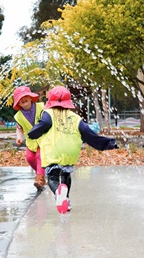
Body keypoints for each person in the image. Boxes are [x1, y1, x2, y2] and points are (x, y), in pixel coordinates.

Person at [28, 86, 118, 214]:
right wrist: (108, 143)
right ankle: (66, 199)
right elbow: (89, 134)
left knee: (52, 177)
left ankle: (58, 194)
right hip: (70, 153)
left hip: (53, 152)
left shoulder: (48, 114)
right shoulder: (75, 118)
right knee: (65, 175)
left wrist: (32, 133)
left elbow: (44, 125)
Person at [13, 86, 46, 190]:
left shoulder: (42, 107)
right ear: (17, 103)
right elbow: (19, 128)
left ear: (31, 98)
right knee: (30, 158)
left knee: (40, 156)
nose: (23, 99)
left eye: (25, 96)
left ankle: (40, 177)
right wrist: (19, 137)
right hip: (31, 141)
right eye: (20, 98)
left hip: (43, 138)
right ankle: (40, 174)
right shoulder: (19, 116)